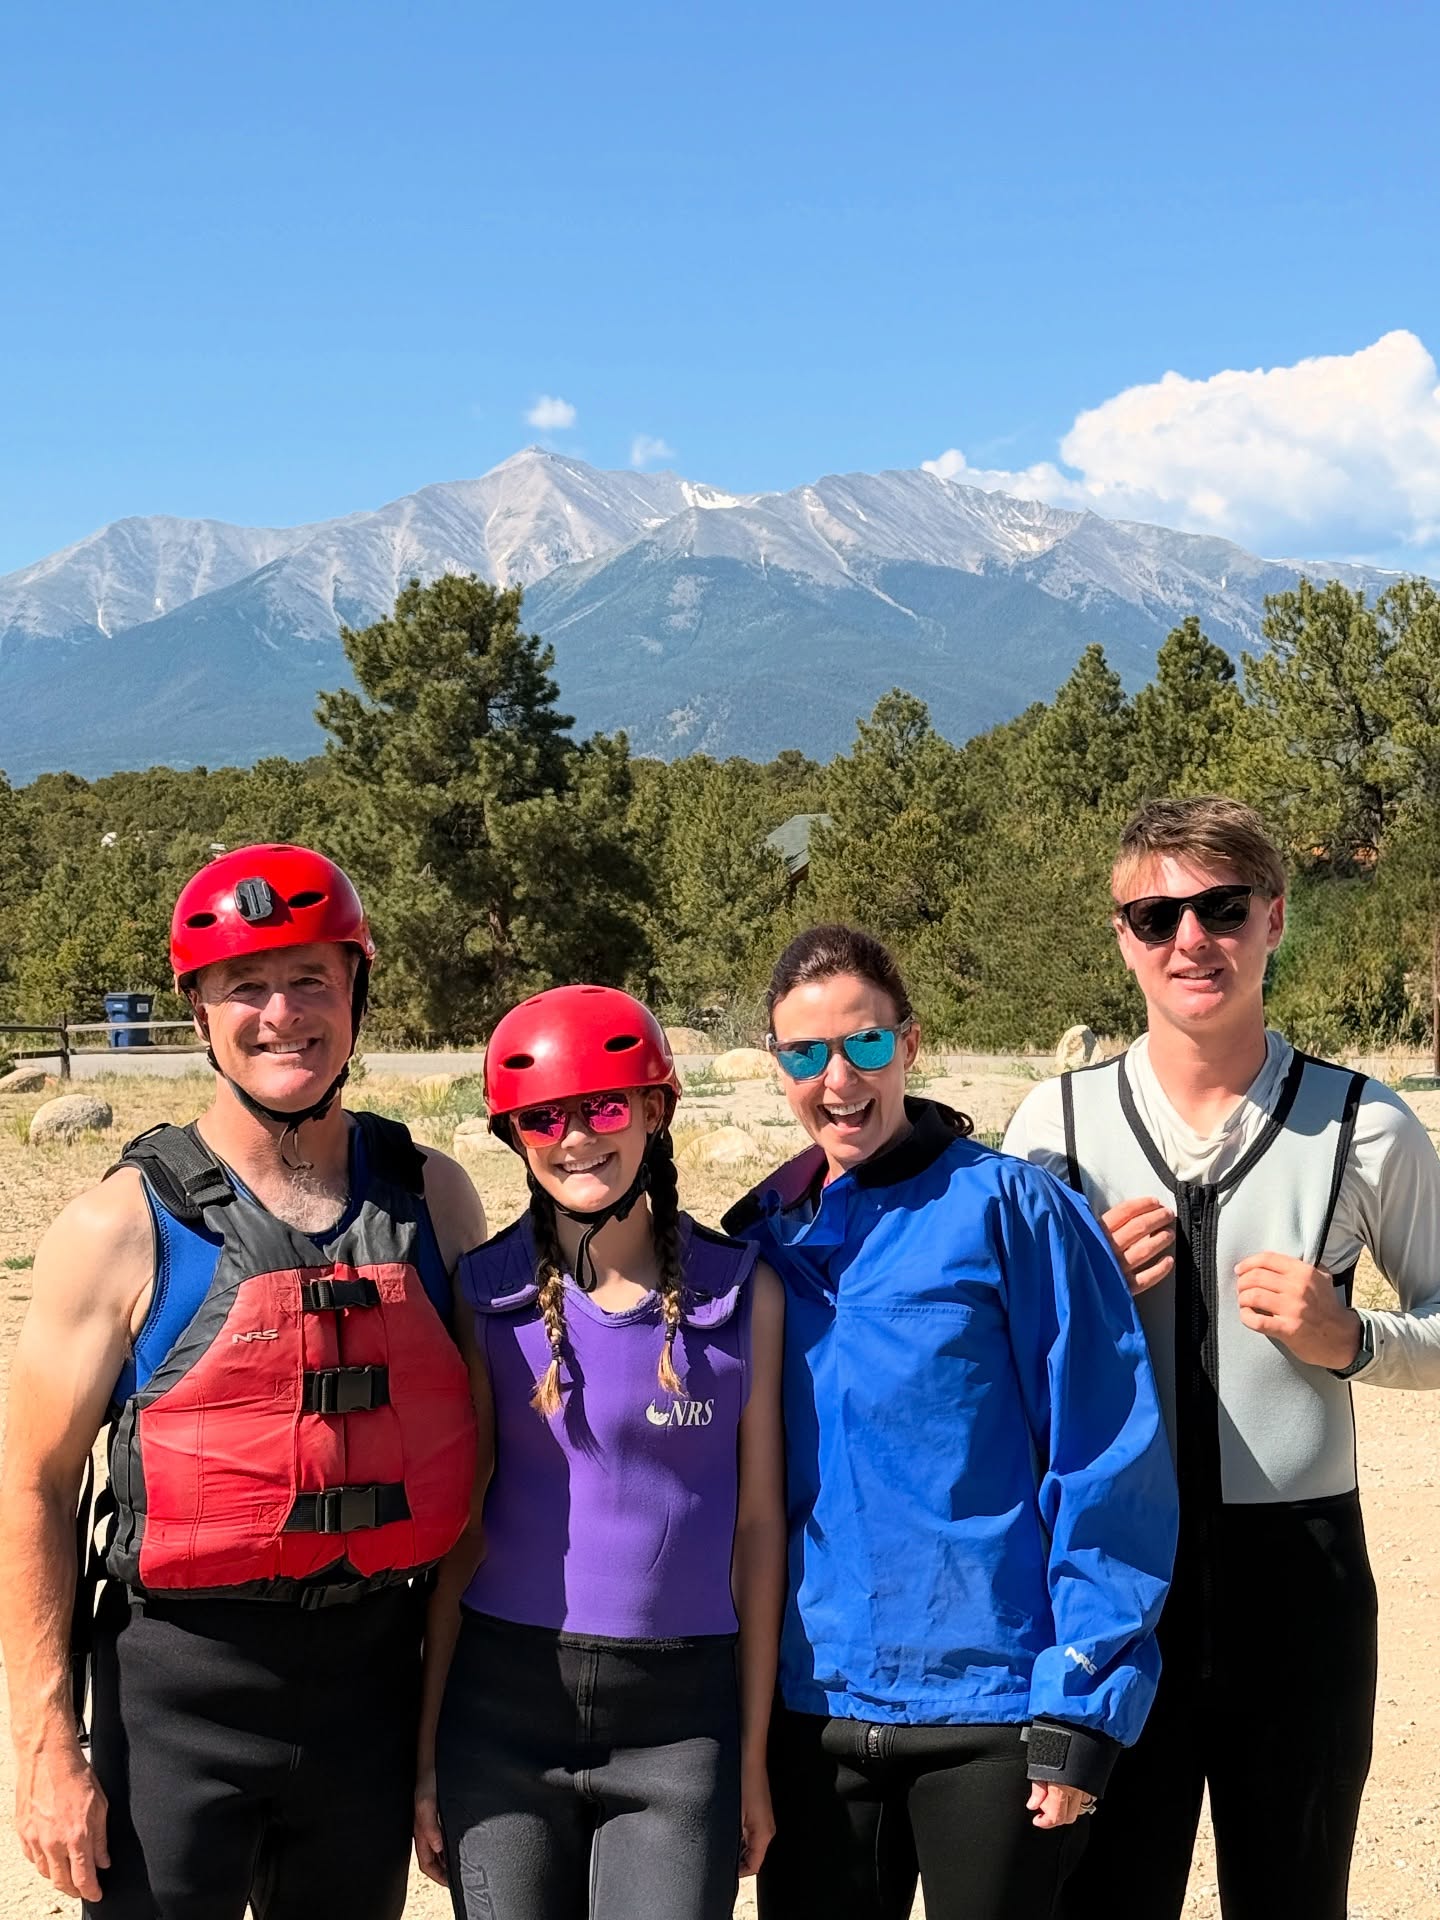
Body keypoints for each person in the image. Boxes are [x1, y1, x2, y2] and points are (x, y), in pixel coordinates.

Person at [0, 844, 482, 1919]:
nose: (282, 1015)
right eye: (244, 987)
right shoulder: (118, 1228)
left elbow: (488, 1469)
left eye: (310, 979)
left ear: (356, 990)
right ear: (203, 1014)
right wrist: (44, 1745)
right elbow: (31, 1486)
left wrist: (453, 1730)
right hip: (177, 1696)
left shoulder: (436, 1202)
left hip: (371, 1684)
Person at [1004, 794, 1440, 1920]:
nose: (1192, 939)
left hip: (1298, 1585)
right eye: (1157, 916)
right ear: (1122, 938)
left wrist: (1354, 1340)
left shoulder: (1365, 1125)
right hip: (1106, 1585)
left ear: (1275, 919)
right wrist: (1075, 1289)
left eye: (1223, 907)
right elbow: (994, 1372)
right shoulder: (1050, 1130)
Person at [721, 924, 1177, 1920]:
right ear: (778, 1066)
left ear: (910, 1044)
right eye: (807, 1053)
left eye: (865, 1044)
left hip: (995, 1716)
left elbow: (1105, 1459)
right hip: (814, 1713)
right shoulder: (758, 1242)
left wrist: (1081, 1709)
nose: (838, 1077)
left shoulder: (1013, 1210)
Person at [414, 984, 786, 1920]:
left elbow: (756, 1528)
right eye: (543, 1119)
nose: (577, 1138)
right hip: (499, 1714)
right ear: (515, 1136)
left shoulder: (744, 1294)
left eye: (605, 1107)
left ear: (657, 1110)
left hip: (680, 1727)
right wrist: (426, 1755)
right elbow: (461, 1533)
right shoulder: (484, 1293)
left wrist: (750, 1759)